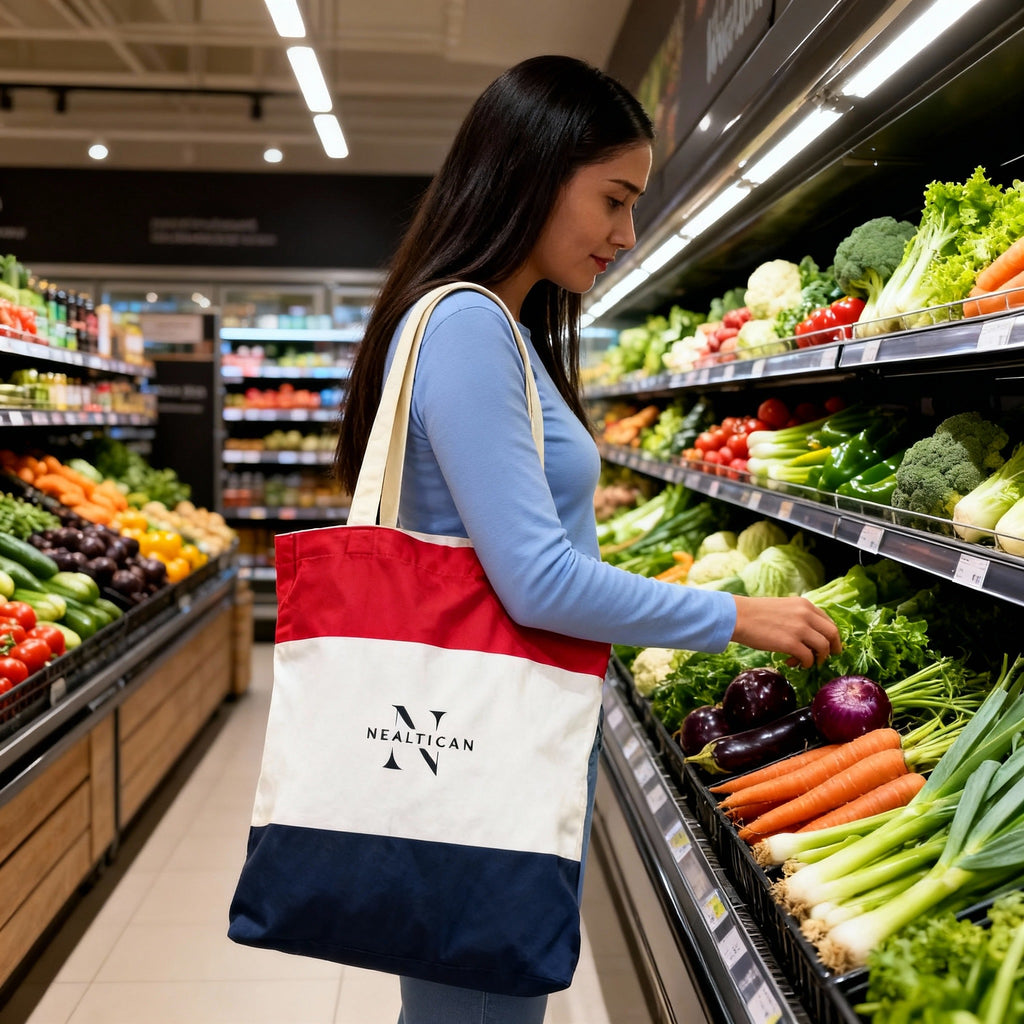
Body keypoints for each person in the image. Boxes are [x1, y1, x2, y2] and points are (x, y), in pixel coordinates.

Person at [334, 54, 840, 1024]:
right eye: (613, 198)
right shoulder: (470, 328)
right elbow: (535, 583)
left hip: (480, 742)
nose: (626, 232)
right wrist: (734, 613)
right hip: (476, 755)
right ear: (531, 169)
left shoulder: (497, 327)